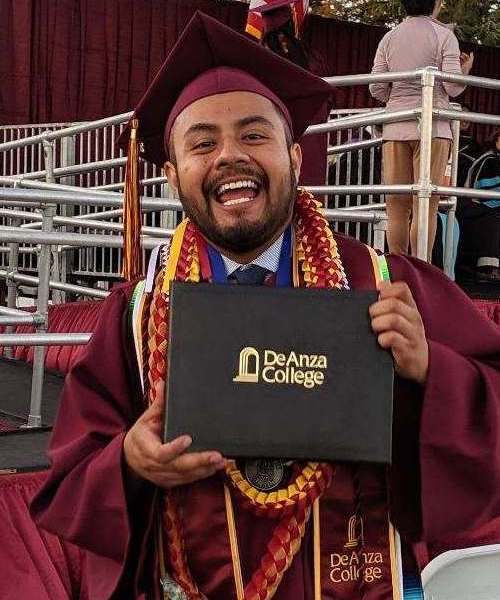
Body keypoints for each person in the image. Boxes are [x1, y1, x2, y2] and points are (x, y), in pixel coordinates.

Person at [30, 12, 500, 600]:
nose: (231, 155)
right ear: (173, 174)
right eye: (203, 143)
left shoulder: (381, 284)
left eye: (255, 134)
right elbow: (71, 477)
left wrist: (432, 372)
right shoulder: (137, 317)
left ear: (296, 156)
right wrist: (128, 461)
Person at [369, 0, 474, 259]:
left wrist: (399, 96)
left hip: (395, 126)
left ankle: (397, 269)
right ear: (436, 3)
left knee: (396, 206)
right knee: (425, 204)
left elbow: (376, 88)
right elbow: (453, 87)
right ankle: (421, 270)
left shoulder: (389, 38)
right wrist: (465, 71)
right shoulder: (444, 36)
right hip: (434, 128)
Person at [456, 128, 500, 282]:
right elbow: (481, 191)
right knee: (494, 218)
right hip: (474, 204)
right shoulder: (488, 160)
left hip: (489, 205)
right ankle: (488, 267)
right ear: (497, 140)